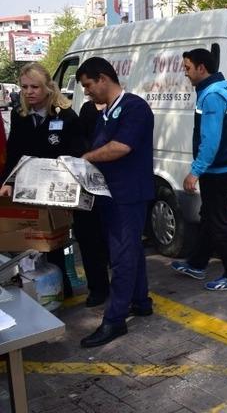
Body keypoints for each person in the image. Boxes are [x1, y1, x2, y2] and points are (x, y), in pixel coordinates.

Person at [77, 57, 155, 348]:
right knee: (131, 249)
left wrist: (85, 158)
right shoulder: (107, 112)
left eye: (88, 85)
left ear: (103, 79)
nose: (86, 92)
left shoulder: (134, 107)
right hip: (111, 195)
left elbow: (120, 147)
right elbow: (100, 144)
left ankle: (115, 319)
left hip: (128, 195)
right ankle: (141, 302)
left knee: (122, 257)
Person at [0, 62, 88, 299]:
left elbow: (78, 154)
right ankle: (33, 290)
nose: (29, 92)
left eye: (35, 87)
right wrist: (6, 182)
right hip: (27, 188)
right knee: (28, 242)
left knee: (55, 242)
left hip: (56, 190)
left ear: (48, 87)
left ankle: (61, 290)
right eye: (25, 87)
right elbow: (14, 152)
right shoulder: (21, 116)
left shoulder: (67, 116)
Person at [170, 49, 227, 291]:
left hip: (219, 170)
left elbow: (210, 140)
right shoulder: (225, 88)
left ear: (201, 68)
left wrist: (195, 171)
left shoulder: (211, 96)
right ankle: (196, 263)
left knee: (218, 222)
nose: (186, 73)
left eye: (188, 68)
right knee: (208, 217)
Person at [72, 93, 111, 307]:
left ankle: (120, 289)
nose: (87, 90)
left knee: (111, 243)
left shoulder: (122, 109)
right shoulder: (87, 111)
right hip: (87, 187)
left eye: (89, 85)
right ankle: (98, 288)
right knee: (89, 242)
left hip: (111, 188)